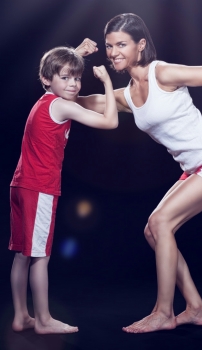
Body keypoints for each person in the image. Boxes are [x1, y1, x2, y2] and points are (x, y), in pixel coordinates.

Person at [75, 14, 202, 333]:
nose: (113, 53)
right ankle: (195, 307)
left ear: (140, 45)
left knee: (161, 222)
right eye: (109, 46)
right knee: (153, 231)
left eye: (121, 45)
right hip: (195, 167)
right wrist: (69, 65)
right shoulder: (126, 96)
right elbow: (83, 100)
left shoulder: (161, 72)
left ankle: (163, 313)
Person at [9, 39, 118, 334]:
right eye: (66, 78)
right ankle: (44, 321)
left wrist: (77, 54)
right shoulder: (63, 106)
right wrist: (107, 82)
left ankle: (21, 317)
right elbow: (110, 122)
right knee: (40, 257)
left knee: (22, 254)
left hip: (20, 185)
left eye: (77, 78)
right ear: (47, 79)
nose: (73, 84)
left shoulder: (45, 99)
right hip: (39, 188)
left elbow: (55, 69)